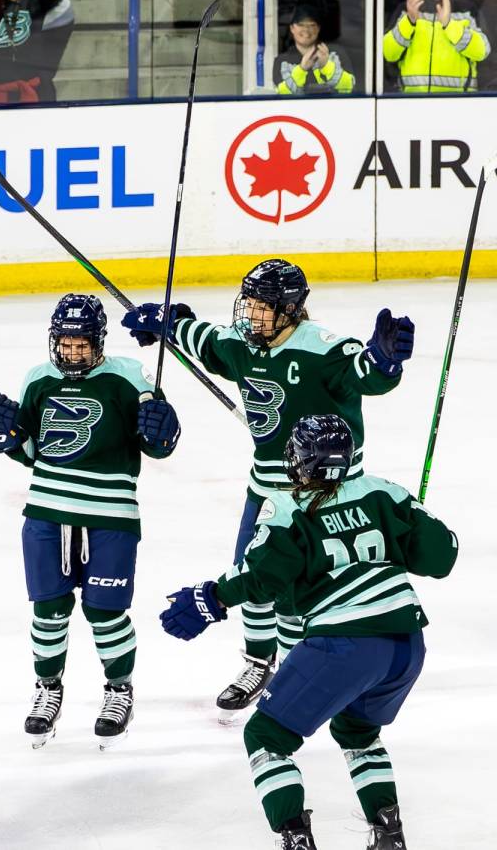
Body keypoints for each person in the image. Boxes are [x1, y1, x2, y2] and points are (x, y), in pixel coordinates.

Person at [121, 260, 414, 720]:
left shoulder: (324, 349)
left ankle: (308, 669)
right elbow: (205, 341)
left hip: (328, 494)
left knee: (314, 591)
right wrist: (168, 322)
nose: (251, 315)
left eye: (262, 308)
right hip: (267, 491)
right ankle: (259, 663)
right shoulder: (240, 343)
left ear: (291, 311)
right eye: (249, 304)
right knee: (250, 579)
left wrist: (385, 361)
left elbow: (366, 373)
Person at [160, 414, 458, 850]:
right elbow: (441, 557)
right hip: (407, 645)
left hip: (346, 643)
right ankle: (389, 834)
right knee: (358, 733)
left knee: (265, 736)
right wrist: (417, 521)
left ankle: (296, 840)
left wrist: (211, 598)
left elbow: (263, 577)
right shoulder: (384, 493)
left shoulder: (288, 507)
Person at [0, 294, 180, 749]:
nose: (73, 353)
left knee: (105, 612)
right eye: (65, 344)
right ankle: (48, 690)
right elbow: (29, 451)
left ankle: (118, 690)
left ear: (99, 342)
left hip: (111, 515)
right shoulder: (39, 379)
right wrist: (3, 436)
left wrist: (165, 430)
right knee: (48, 611)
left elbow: (158, 445)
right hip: (47, 513)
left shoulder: (129, 376)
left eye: (82, 345)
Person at [382, 0, 491, 93]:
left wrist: (449, 25)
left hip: (458, 103)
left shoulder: (467, 9)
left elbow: (482, 52)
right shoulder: (406, 9)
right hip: (411, 103)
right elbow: (388, 54)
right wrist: (409, 21)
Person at [273, 4, 355, 95]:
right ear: (292, 28)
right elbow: (282, 94)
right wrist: (302, 69)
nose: (306, 30)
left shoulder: (336, 53)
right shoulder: (282, 61)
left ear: (318, 28)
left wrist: (326, 66)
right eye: (301, 25)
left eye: (312, 25)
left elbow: (349, 87)